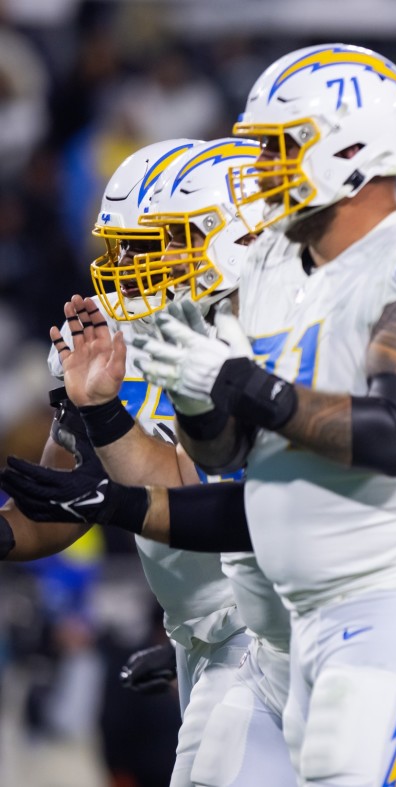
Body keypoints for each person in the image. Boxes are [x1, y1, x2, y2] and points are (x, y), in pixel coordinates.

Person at [118, 43, 396, 787]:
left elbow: (395, 433)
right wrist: (196, 391)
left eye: (277, 147)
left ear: (354, 147)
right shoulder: (268, 268)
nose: (258, 169)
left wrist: (237, 378)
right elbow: (230, 453)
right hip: (295, 623)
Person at [0, 139, 257, 787]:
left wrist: (107, 413)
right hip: (210, 636)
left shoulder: (270, 338)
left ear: (228, 234)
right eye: (120, 246)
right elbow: (60, 504)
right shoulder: (116, 339)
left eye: (152, 244)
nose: (127, 265)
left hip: (298, 633)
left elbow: (196, 502)